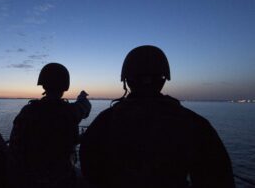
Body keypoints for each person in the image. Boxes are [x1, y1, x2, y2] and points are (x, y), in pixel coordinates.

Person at [79, 45, 235, 188]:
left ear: (127, 80)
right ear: (163, 78)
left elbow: (90, 169)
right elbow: (219, 178)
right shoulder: (194, 123)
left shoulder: (105, 121)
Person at [9, 63, 91, 188]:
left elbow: (15, 145)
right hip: (62, 178)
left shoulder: (27, 111)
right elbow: (85, 107)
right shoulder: (71, 112)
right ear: (65, 87)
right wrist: (82, 97)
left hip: (31, 179)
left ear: (43, 85)